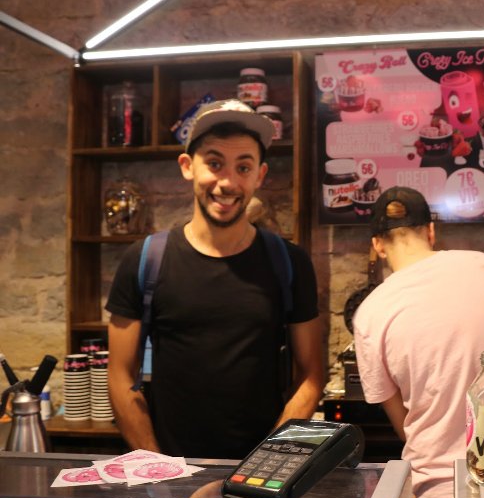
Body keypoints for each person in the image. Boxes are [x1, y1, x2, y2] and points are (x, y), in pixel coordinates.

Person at [106, 99, 325, 459]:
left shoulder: (289, 262)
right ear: (187, 166)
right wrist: (157, 468)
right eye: (214, 163)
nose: (228, 182)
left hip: (260, 483)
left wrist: (264, 465)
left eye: (243, 167)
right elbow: (120, 375)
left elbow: (310, 377)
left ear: (260, 175)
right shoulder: (145, 260)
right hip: (170, 479)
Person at [353, 186, 484, 498]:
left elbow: (404, 423)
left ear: (377, 245)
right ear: (430, 231)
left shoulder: (370, 313)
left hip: (438, 493)